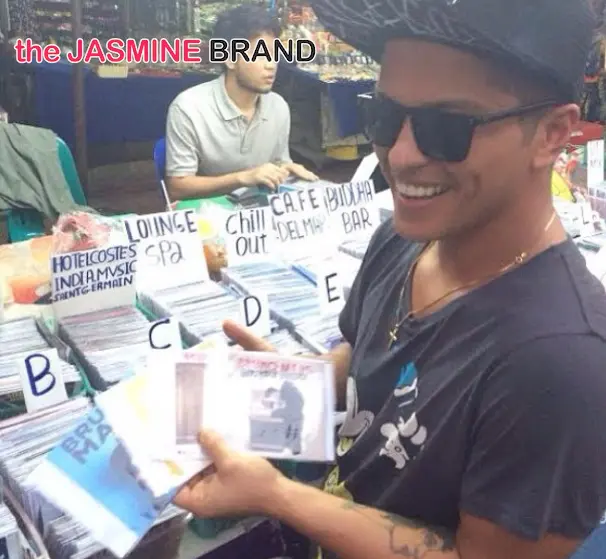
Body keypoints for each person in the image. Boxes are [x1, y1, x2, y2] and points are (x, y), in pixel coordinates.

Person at [174, 1, 606, 558]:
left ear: (553, 133)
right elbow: (368, 358)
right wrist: (293, 381)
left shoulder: (563, 363)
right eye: (382, 115)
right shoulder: (407, 236)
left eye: (446, 128)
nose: (399, 155)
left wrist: (279, 496)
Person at [165, 5, 317, 200]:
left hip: (257, 210)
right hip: (209, 212)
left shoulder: (278, 107)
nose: (271, 65)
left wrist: (287, 169)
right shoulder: (189, 108)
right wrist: (242, 178)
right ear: (230, 60)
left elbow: (278, 164)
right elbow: (178, 187)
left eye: (274, 55)